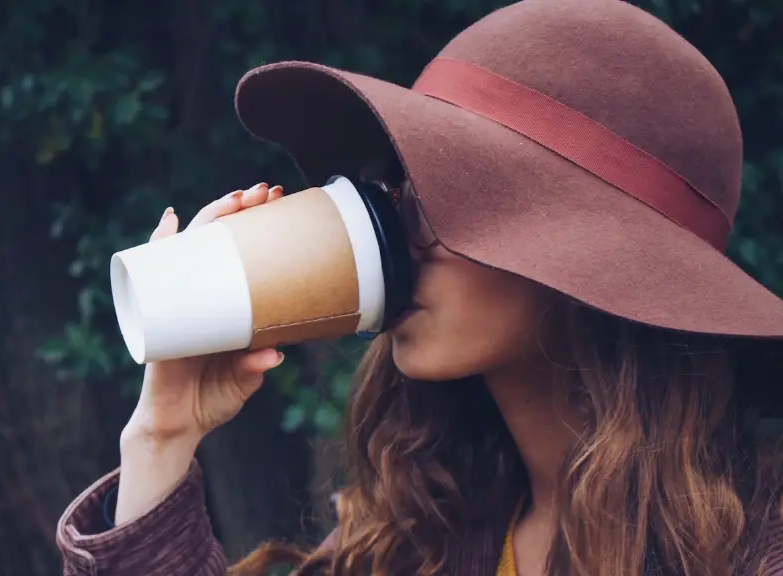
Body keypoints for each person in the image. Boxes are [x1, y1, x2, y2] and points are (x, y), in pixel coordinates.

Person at [56, 0, 783, 574]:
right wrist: (163, 436)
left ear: (591, 258)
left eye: (448, 197)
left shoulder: (753, 548)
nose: (394, 235)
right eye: (391, 190)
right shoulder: (411, 538)